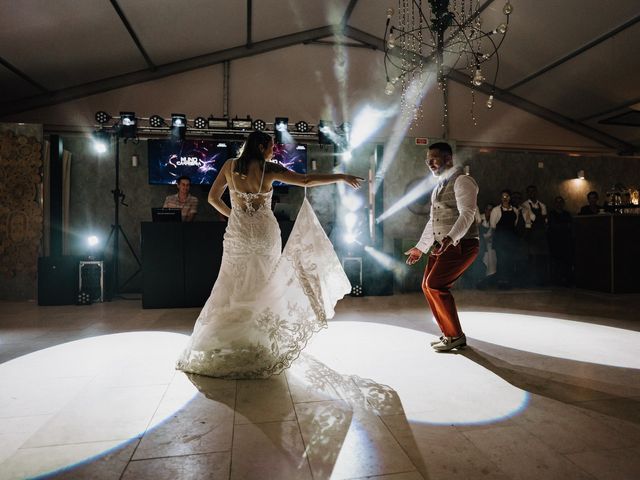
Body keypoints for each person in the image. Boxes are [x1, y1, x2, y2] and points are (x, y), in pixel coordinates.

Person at [176, 131, 362, 378]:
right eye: (272, 147)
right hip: (265, 233)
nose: (274, 151)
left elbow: (212, 198)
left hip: (239, 233)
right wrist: (340, 176)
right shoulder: (269, 169)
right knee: (265, 284)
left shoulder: (230, 166)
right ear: (262, 146)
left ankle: (228, 341)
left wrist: (235, 216)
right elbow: (305, 181)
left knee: (232, 284)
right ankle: (260, 342)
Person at [404, 142, 479, 352]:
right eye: (428, 160)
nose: (429, 163)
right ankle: (449, 335)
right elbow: (433, 221)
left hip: (462, 244)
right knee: (427, 286)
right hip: (442, 244)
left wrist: (450, 238)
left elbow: (468, 214)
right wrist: (421, 247)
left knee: (436, 284)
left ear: (448, 159)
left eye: (434, 159)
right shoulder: (437, 186)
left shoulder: (463, 181)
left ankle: (455, 336)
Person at [490, 189, 520, 289]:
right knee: (501, 261)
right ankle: (501, 282)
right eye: (503, 197)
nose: (505, 198)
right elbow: (493, 226)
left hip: (511, 240)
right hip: (500, 240)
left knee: (510, 261)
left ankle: (509, 282)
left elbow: (514, 225)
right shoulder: (496, 210)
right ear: (500, 198)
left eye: (507, 196)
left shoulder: (515, 210)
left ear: (510, 198)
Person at [521, 185, 548, 285]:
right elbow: (532, 219)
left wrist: (540, 218)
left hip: (541, 235)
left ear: (536, 192)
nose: (532, 193)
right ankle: (532, 281)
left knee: (542, 258)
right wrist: (541, 217)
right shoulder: (524, 205)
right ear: (527, 193)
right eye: (530, 191)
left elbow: (545, 221)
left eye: (534, 191)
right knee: (532, 258)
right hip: (531, 234)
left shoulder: (542, 205)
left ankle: (542, 281)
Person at [547, 196, 573, 286]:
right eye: (557, 202)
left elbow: (571, 226)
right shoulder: (551, 214)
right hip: (555, 242)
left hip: (566, 241)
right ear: (554, 204)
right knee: (556, 262)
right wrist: (565, 226)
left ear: (563, 203)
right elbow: (554, 226)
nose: (559, 204)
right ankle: (556, 281)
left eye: (561, 202)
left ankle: (566, 280)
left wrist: (561, 226)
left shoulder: (567, 214)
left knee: (566, 262)